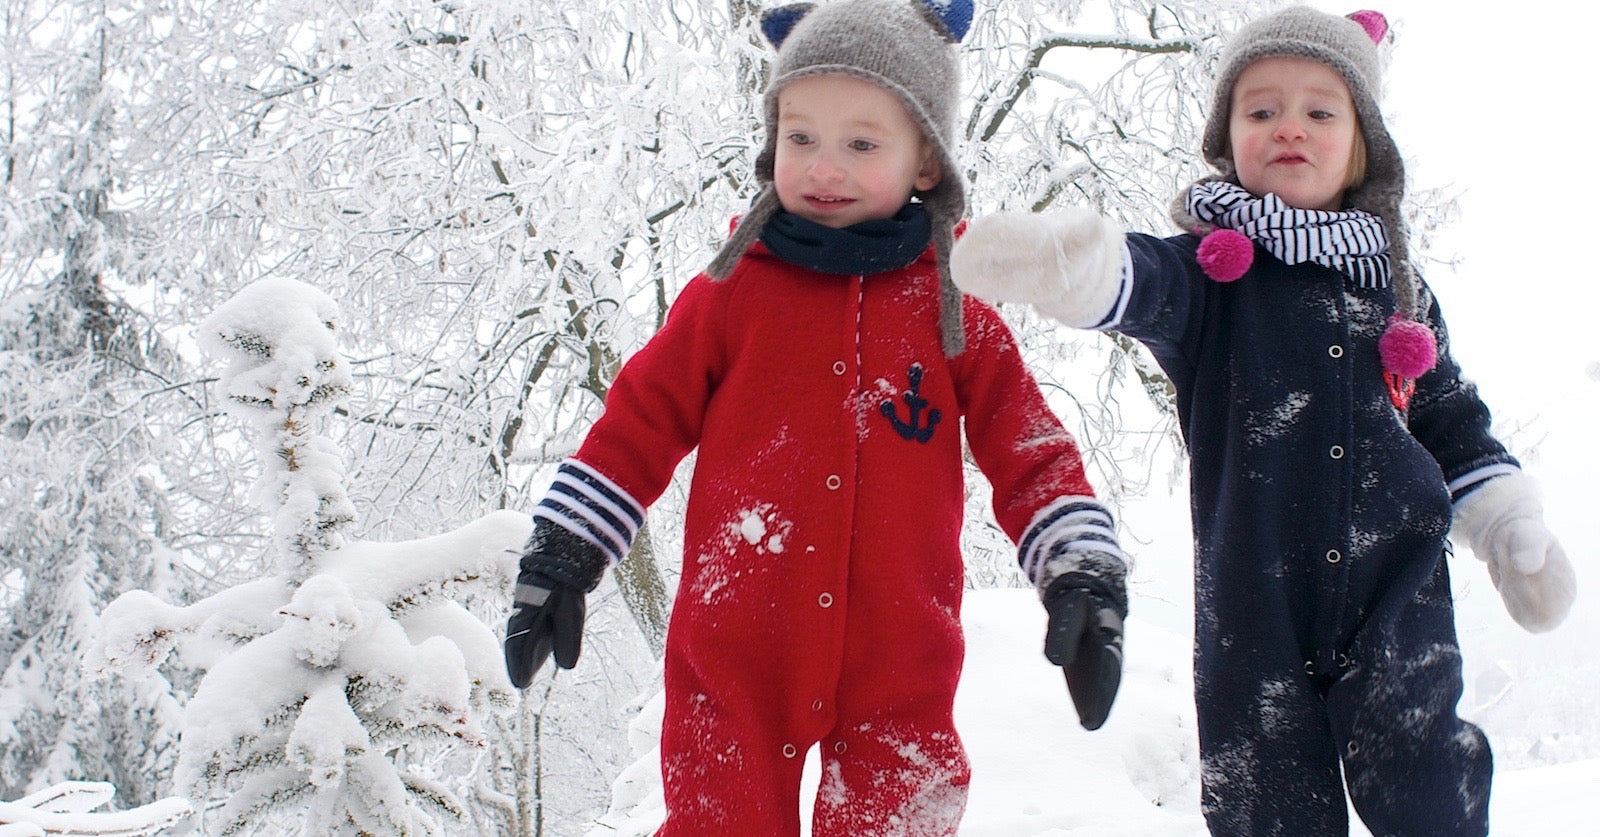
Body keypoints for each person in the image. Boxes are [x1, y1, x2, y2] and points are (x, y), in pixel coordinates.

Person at [501, 1, 1129, 833]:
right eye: (801, 137)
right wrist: (565, 550)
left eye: (861, 143)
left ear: (927, 164)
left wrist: (1080, 571)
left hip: (901, 657)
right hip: (735, 646)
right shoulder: (731, 295)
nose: (824, 165)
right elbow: (637, 424)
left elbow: (1030, 448)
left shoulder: (955, 306)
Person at [948, 6, 1577, 835]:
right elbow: (1136, 280)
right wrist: (1070, 262)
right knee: (1264, 801)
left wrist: (1507, 524)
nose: (1290, 127)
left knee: (1427, 777)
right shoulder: (1209, 277)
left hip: (1397, 585)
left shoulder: (1400, 292)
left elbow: (1452, 418)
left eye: (1320, 111)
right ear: (1229, 139)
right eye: (1262, 110)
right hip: (1255, 602)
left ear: (1362, 146)